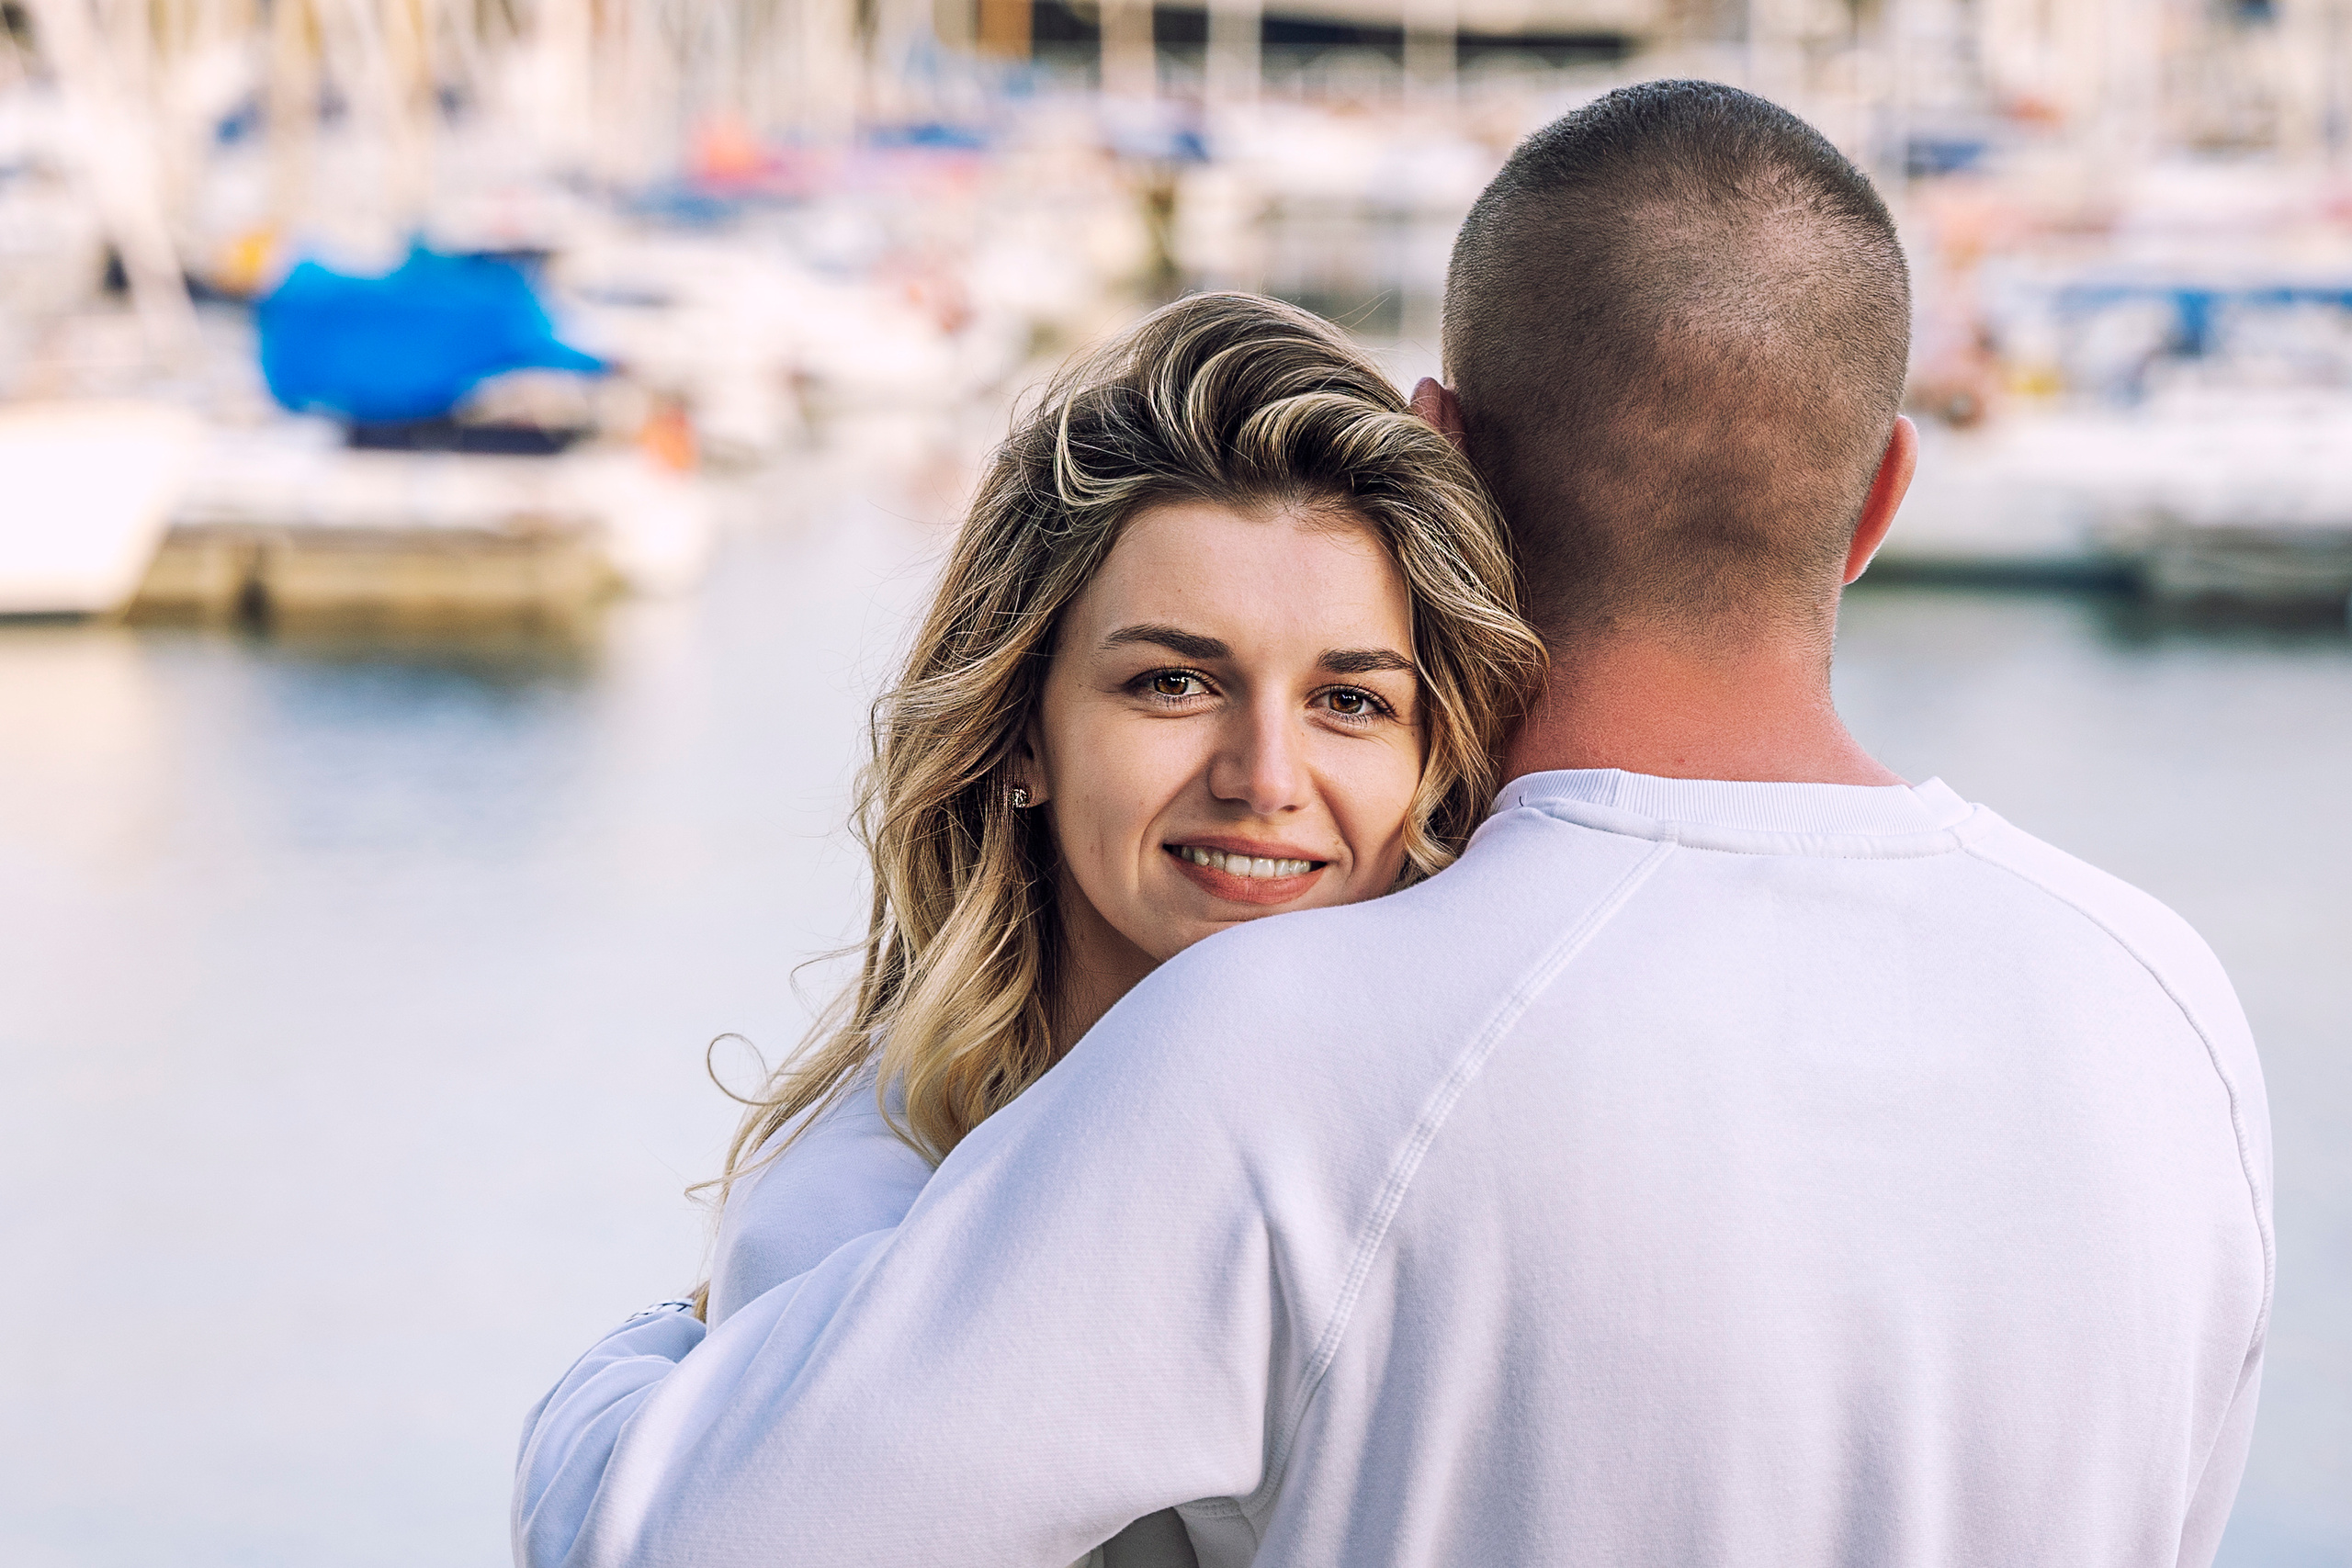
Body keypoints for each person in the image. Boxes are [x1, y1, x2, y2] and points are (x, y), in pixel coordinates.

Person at [520, 81, 2271, 1568]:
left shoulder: (1287, 1044)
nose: (1267, 769)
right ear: (1883, 493)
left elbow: (686, 1534)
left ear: (1454, 461)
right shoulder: (2170, 1017)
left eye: (1345, 697)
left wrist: (644, 1359)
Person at [516, 291, 1544, 1566]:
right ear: (1020, 737)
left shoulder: (1455, 1133)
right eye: (1173, 682)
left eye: (1348, 699)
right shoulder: (867, 1214)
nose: (1266, 775)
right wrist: (623, 1391)